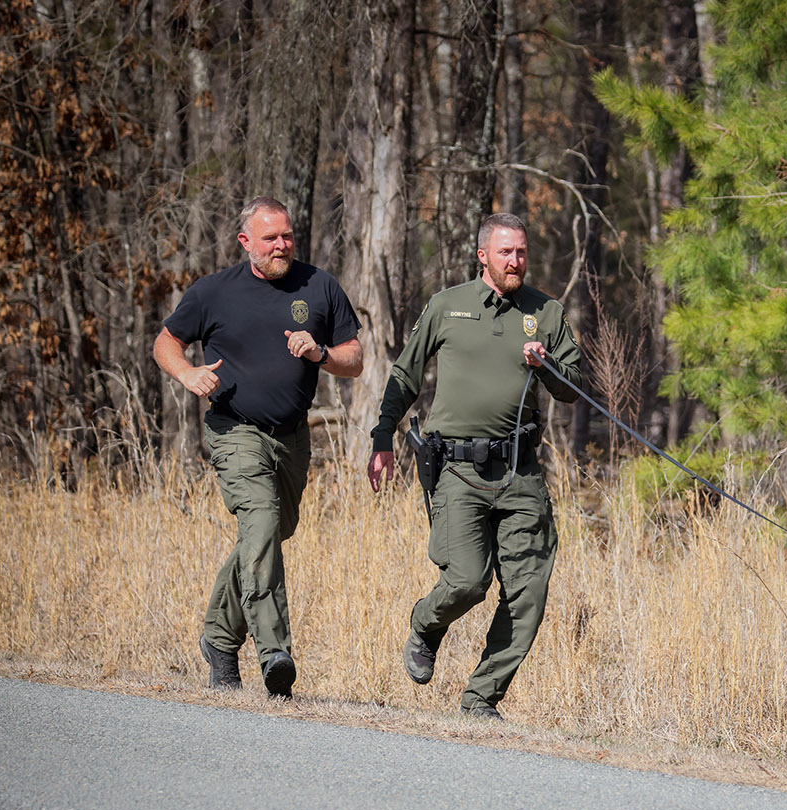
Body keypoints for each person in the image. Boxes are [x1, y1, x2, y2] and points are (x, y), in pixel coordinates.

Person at [367, 213, 582, 720]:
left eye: (522, 252)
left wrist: (546, 364)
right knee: (466, 580)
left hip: (519, 472)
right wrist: (383, 437)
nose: (516, 261)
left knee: (528, 592)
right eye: (506, 252)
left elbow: (574, 389)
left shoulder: (545, 313)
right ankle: (426, 625)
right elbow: (405, 373)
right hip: (458, 470)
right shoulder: (447, 306)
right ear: (482, 255)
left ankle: (481, 697)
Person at [154, 196, 363, 697]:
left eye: (287, 235)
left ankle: (218, 638)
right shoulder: (213, 292)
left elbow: (354, 359)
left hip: (293, 435)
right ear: (245, 241)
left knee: (271, 532)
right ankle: (275, 651)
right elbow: (166, 342)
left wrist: (321, 354)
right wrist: (187, 373)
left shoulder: (319, 286)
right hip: (235, 429)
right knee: (263, 524)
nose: (282, 245)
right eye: (270, 238)